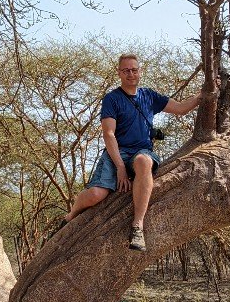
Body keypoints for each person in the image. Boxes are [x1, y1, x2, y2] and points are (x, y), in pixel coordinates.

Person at [63, 53, 207, 251]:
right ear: (119, 73)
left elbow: (181, 108)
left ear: (140, 71)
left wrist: (202, 94)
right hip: (117, 153)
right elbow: (109, 134)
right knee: (95, 194)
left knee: (143, 162)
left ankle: (137, 227)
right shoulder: (112, 99)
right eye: (126, 70)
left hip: (141, 151)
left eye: (134, 70)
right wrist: (120, 168)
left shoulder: (149, 96)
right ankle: (70, 215)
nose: (131, 74)